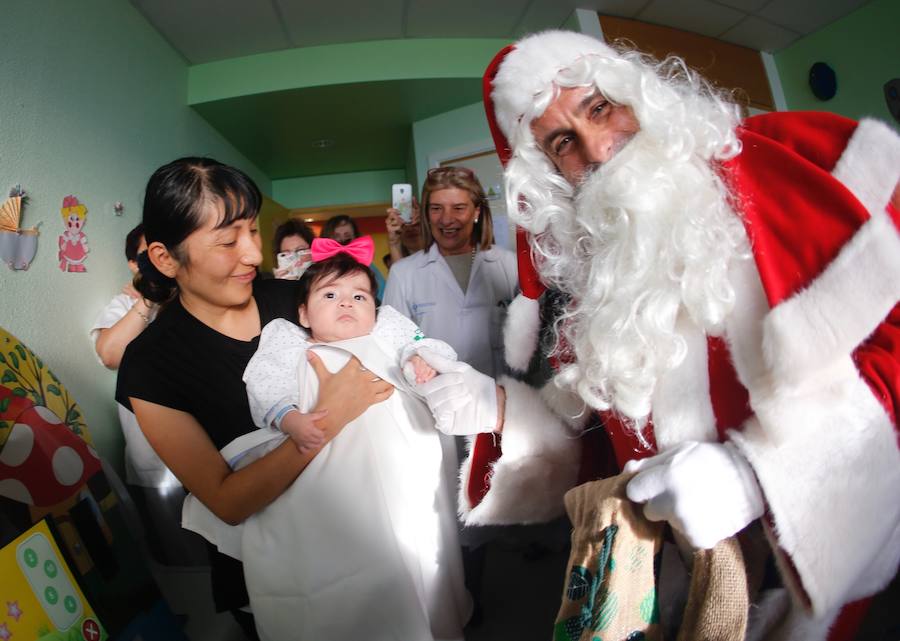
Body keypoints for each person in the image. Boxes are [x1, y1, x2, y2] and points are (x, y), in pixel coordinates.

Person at [414, 30, 900, 641]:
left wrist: (758, 477)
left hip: (826, 569)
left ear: (637, 94)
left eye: (599, 107)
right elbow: (600, 446)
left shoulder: (798, 161)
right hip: (675, 583)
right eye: (563, 142)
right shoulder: (592, 279)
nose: (598, 148)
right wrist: (501, 412)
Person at [116, 157, 392, 637]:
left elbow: (382, 357)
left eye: (252, 231)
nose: (250, 254)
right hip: (264, 568)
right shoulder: (150, 365)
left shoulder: (298, 300)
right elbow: (226, 500)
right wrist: (328, 419)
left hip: (360, 533)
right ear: (165, 259)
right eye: (227, 240)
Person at [183, 242, 473, 640]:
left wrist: (423, 361)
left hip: (404, 468)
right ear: (304, 313)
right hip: (328, 464)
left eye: (359, 296)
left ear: (375, 307)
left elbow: (427, 344)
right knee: (340, 551)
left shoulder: (388, 328)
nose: (346, 304)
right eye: (330, 295)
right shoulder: (291, 341)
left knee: (416, 546)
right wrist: (289, 417)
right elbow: (265, 382)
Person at [382, 166, 518, 623]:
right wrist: (412, 362)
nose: (448, 218)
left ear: (477, 211)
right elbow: (394, 342)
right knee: (458, 510)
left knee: (517, 494)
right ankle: (469, 599)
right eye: (436, 208)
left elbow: (528, 337)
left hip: (505, 405)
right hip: (438, 410)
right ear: (424, 213)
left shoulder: (507, 266)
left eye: (459, 207)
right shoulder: (405, 273)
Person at [91, 223, 205, 567]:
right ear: (134, 263)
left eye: (167, 251)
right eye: (149, 254)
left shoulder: (195, 297)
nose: (161, 260)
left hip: (213, 447)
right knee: (189, 558)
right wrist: (148, 297)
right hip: (156, 460)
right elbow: (109, 353)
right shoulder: (125, 303)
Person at [320, 213, 386, 299]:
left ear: (356, 238)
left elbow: (382, 294)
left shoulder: (368, 267)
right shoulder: (318, 267)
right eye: (336, 236)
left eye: (347, 236)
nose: (342, 240)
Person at [384, 196, 425, 267]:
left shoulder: (441, 253)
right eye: (404, 225)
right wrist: (394, 244)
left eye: (416, 224)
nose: (410, 229)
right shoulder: (398, 260)